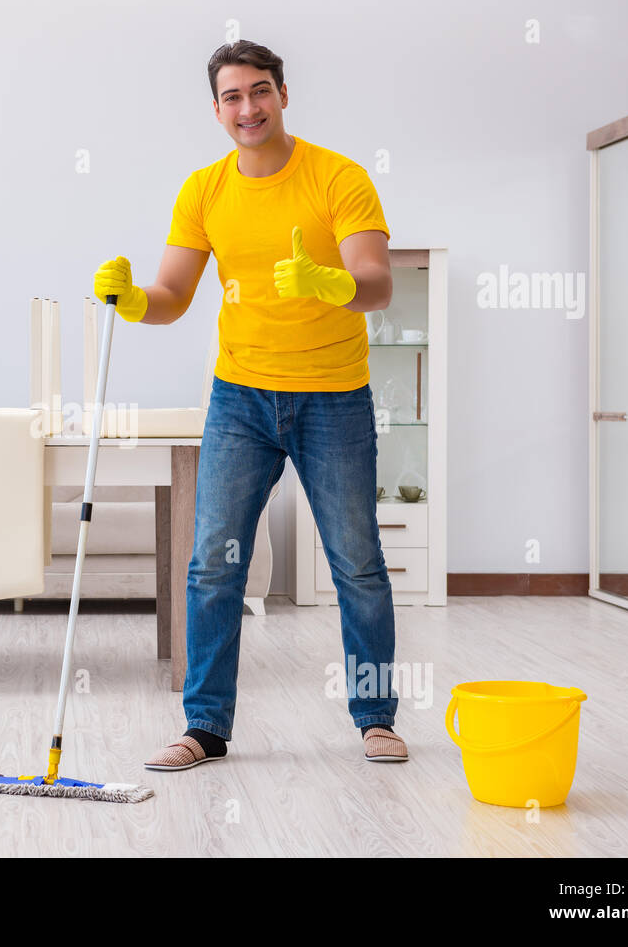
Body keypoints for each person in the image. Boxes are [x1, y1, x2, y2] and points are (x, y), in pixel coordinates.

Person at [92, 40, 408, 768]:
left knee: (356, 562)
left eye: (259, 91)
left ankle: (376, 717)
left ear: (284, 95)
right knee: (212, 563)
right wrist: (133, 299)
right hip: (241, 398)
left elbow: (377, 280)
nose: (248, 108)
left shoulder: (338, 176)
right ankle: (204, 726)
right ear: (216, 110)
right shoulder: (204, 189)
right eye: (232, 97)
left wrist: (333, 285)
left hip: (333, 397)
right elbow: (171, 298)